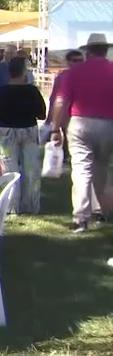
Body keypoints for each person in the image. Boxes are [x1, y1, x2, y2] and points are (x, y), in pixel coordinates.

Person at [52, 33, 113, 232]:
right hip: (107, 124)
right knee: (102, 168)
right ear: (105, 50)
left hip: (79, 123)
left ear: (87, 51)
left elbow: (61, 101)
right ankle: (100, 209)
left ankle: (80, 218)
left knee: (81, 169)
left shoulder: (75, 72)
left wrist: (55, 127)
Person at [0, 56, 46, 215]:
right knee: (31, 170)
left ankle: (10, 206)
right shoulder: (32, 90)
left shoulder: (1, 91)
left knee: (8, 169)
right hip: (29, 129)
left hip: (7, 130)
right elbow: (41, 114)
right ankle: (32, 205)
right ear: (23, 72)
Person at [47, 50, 84, 125]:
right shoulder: (62, 77)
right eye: (75, 61)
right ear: (68, 62)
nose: (79, 63)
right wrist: (50, 118)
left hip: (82, 117)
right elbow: (54, 98)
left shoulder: (88, 76)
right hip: (65, 118)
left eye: (81, 60)